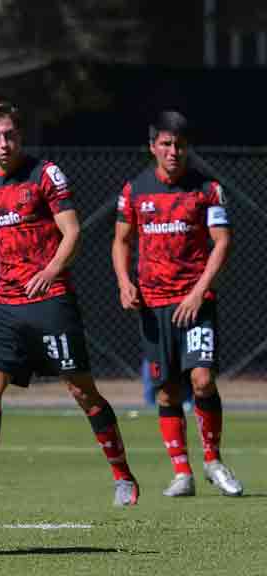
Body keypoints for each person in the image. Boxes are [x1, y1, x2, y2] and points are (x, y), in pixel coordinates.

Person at [0, 100, 140, 507]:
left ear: (20, 136)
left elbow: (72, 232)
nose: (4, 143)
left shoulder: (45, 174)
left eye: (10, 135)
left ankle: (122, 475)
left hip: (51, 300)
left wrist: (52, 270)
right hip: (5, 306)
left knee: (81, 390)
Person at [112, 110, 243, 498]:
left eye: (180, 145)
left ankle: (213, 461)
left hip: (195, 301)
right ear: (153, 147)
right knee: (167, 391)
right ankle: (181, 472)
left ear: (188, 148)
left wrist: (199, 290)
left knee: (202, 380)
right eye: (166, 144)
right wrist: (124, 282)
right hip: (154, 306)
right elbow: (120, 240)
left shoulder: (207, 189)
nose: (173, 151)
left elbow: (222, 241)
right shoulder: (135, 189)